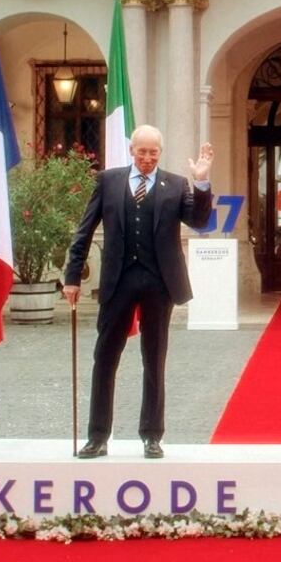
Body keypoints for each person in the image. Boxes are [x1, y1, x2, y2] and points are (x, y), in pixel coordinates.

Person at [64, 126, 214, 460]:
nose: (147, 158)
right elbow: (85, 229)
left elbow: (200, 221)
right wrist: (72, 276)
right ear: (132, 150)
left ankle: (152, 435)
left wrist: (202, 182)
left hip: (159, 283)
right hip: (118, 280)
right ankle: (98, 436)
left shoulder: (175, 184)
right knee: (105, 357)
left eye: (153, 152)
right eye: (141, 152)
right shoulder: (109, 180)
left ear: (161, 152)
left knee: (154, 359)